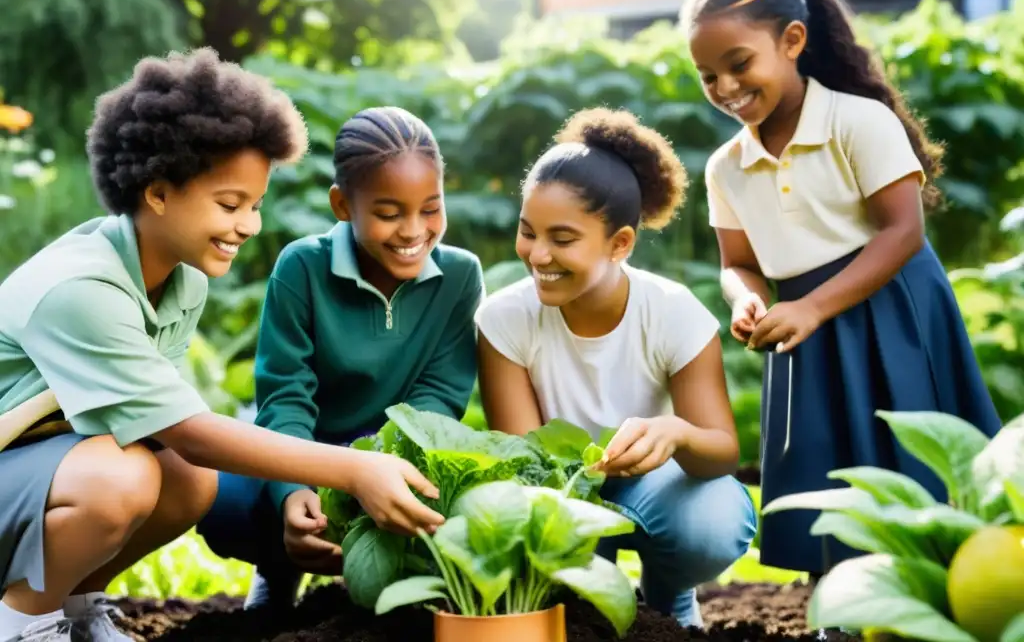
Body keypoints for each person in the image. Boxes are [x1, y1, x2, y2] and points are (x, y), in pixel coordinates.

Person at [0, 51, 445, 642]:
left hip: (34, 466)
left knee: (186, 480)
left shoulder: (180, 279)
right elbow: (191, 429)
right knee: (121, 478)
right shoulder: (80, 289)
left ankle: (74, 610)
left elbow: (166, 437)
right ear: (157, 193)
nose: (251, 226)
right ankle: (21, 620)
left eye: (255, 205)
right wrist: (353, 468)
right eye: (230, 205)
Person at [683, 0, 1004, 577]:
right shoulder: (726, 167)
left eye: (739, 64)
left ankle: (945, 589)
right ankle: (840, 599)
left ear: (792, 42)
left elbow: (903, 231)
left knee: (910, 452)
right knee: (820, 462)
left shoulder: (858, 122)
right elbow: (739, 264)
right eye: (708, 76)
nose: (725, 87)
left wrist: (812, 305)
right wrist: (744, 299)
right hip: (805, 330)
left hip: (890, 304)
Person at [474, 108, 758, 629]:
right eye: (527, 232)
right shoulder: (503, 319)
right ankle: (587, 602)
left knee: (714, 521)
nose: (537, 255)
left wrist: (675, 433)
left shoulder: (674, 313)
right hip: (560, 492)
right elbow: (524, 463)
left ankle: (668, 594)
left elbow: (721, 452)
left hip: (654, 485)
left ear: (620, 243)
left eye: (562, 240)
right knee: (577, 605)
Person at [197, 106, 485, 611]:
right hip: (305, 453)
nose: (413, 231)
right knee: (223, 501)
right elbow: (285, 395)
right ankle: (279, 568)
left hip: (400, 457)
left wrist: (379, 476)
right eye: (389, 213)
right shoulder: (302, 267)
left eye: (431, 208)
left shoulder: (460, 276)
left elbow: (439, 398)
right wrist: (293, 491)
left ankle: (399, 583)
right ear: (343, 205)